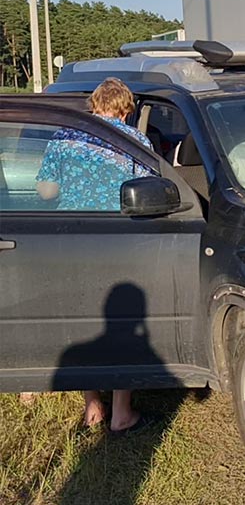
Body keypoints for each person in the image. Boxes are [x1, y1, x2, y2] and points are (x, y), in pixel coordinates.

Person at [35, 77, 155, 432]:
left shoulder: (64, 137)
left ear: (95, 104)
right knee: (123, 322)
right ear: (127, 108)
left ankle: (92, 407)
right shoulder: (137, 140)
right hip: (122, 241)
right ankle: (122, 411)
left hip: (73, 240)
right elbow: (150, 191)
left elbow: (45, 192)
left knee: (83, 320)